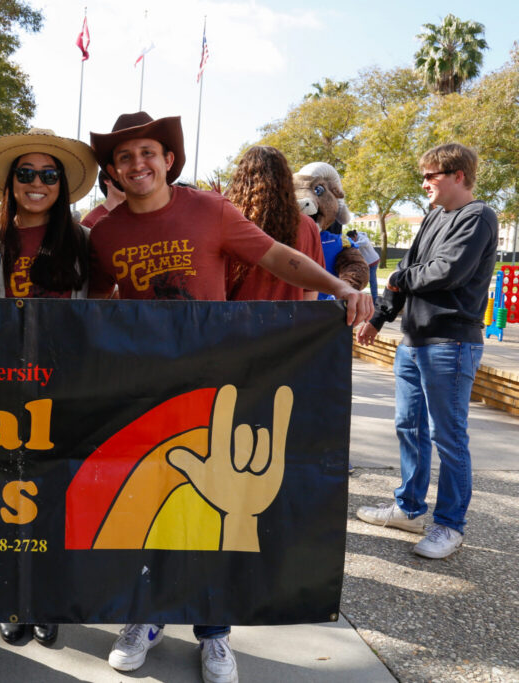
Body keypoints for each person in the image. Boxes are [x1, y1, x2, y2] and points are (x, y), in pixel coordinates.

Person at [87, 112, 373, 683]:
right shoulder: (105, 232)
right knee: (149, 509)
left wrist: (341, 285)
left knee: (215, 508)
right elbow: (95, 305)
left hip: (218, 390)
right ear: (114, 170)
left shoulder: (210, 211)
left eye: (147, 152)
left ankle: (214, 632)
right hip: (145, 393)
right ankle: (144, 616)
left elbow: (277, 257)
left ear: (168, 159)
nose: (136, 164)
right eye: (124, 157)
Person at [0, 126, 96, 644]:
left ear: (61, 185)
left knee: (54, 499)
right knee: (3, 500)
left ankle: (46, 600)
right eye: (26, 174)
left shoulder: (84, 242)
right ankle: (10, 597)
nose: (37, 183)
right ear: (11, 183)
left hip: (62, 392)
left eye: (49, 175)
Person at [356, 143, 498, 560]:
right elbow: (411, 274)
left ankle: (450, 525)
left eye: (431, 176)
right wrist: (380, 318)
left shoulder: (479, 217)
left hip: (451, 345)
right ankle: (409, 508)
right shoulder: (435, 216)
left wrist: (401, 276)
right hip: (413, 342)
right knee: (408, 427)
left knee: (448, 436)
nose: (424, 184)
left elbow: (447, 272)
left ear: (458, 176)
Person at [224, 146, 324, 301]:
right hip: (290, 322)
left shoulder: (229, 222)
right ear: (286, 181)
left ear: (241, 180)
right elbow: (310, 292)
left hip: (234, 321)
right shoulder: (307, 226)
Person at [346, 229, 381, 304]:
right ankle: (357, 297)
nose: (352, 240)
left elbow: (365, 242)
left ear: (355, 236)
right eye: (351, 239)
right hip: (366, 262)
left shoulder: (362, 237)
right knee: (360, 278)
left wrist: (353, 243)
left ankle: (375, 300)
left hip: (373, 261)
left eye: (352, 239)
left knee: (372, 280)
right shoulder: (355, 239)